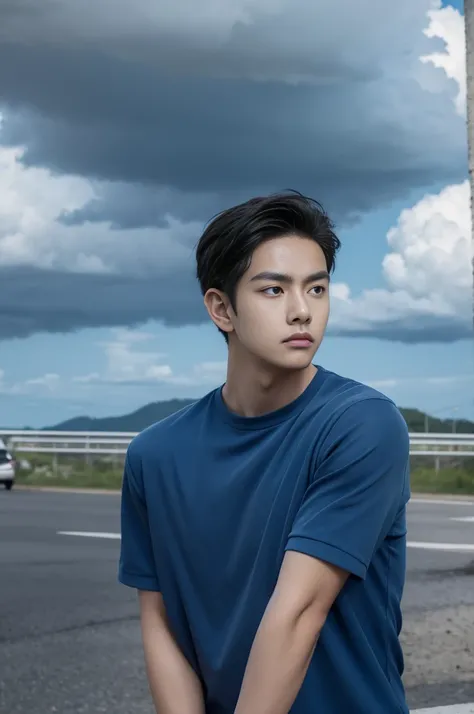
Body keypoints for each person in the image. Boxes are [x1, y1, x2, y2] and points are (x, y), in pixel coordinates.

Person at [118, 191, 411, 714]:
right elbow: (161, 626)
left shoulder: (361, 424)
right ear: (221, 308)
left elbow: (297, 613)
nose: (302, 311)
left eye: (317, 289)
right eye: (274, 289)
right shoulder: (154, 455)